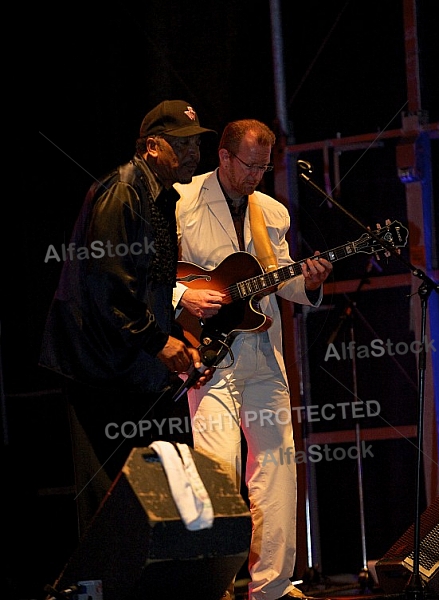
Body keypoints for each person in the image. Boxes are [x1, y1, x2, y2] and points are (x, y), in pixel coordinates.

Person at [39, 100, 216, 536]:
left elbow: (149, 286)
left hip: (128, 365)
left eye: (196, 143)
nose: (194, 152)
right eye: (183, 143)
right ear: (153, 146)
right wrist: (160, 343)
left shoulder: (161, 195)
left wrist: (178, 343)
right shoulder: (122, 192)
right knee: (111, 498)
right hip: (97, 368)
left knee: (154, 490)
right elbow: (107, 287)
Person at [173, 119, 333, 600]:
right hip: (211, 356)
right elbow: (153, 274)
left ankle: (273, 588)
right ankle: (215, 585)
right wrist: (184, 295)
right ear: (223, 156)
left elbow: (279, 278)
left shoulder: (273, 211)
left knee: (278, 467)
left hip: (263, 356)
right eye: (250, 165)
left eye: (265, 166)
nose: (257, 175)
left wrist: (308, 281)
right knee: (216, 473)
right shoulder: (181, 202)